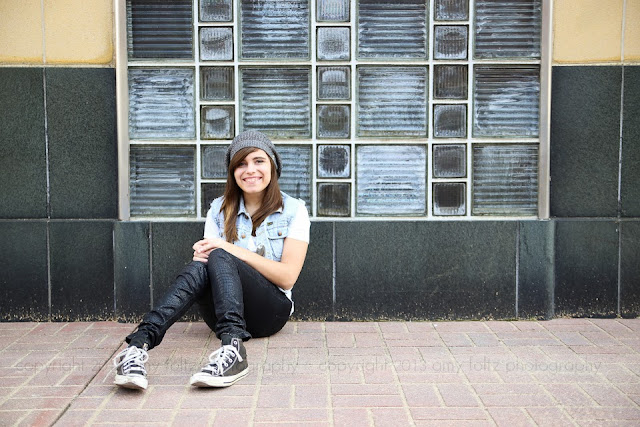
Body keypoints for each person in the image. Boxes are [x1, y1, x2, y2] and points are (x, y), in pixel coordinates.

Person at [113, 131, 310, 390]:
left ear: (272, 165)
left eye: (258, 161)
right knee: (204, 264)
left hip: (271, 312)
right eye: (241, 163)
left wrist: (226, 249)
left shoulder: (294, 210)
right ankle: (137, 346)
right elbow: (208, 262)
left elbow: (287, 277)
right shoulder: (218, 209)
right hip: (220, 314)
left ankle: (233, 349)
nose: (250, 170)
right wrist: (205, 258)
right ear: (232, 172)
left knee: (219, 253)